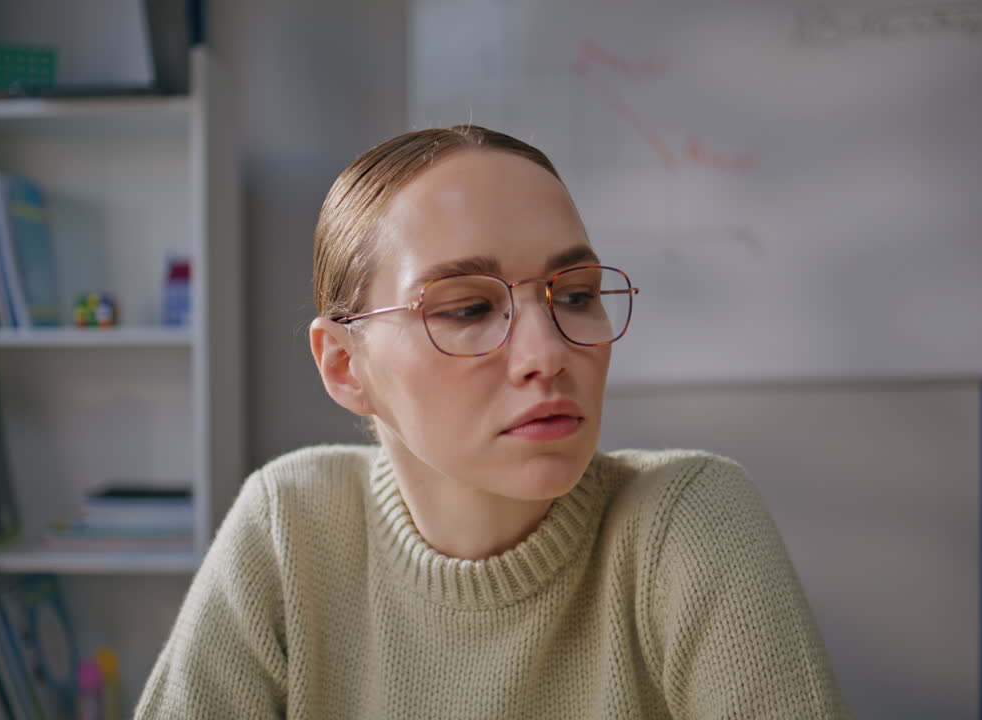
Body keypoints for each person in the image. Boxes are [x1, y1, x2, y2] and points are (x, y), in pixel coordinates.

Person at [134, 125, 849, 719]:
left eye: (575, 295)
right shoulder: (289, 527)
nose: (548, 355)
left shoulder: (686, 521)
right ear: (345, 364)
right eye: (468, 309)